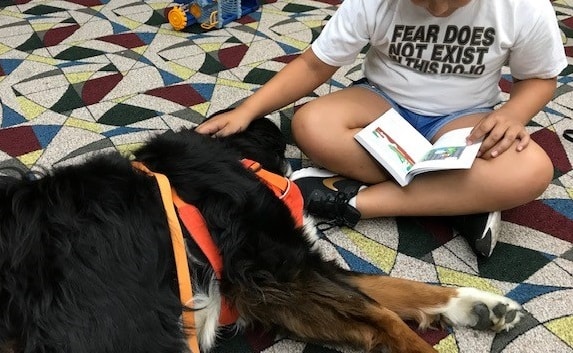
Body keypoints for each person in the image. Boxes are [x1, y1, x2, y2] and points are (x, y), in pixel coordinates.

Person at [195, 0, 567, 257]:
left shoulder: (524, 7)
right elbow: (314, 65)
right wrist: (248, 110)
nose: (437, 10)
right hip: (381, 102)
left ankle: (354, 202)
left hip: (464, 117)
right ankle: (459, 201)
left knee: (532, 170)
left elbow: (538, 78)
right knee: (311, 122)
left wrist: (515, 113)